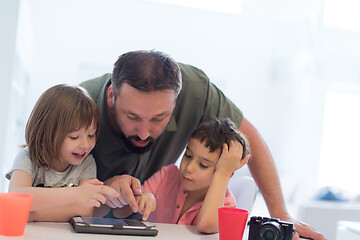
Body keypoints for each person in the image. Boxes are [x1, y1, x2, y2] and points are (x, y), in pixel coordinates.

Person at [80, 50, 326, 240]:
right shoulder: (79, 104)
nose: (144, 133)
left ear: (175, 103)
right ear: (112, 96)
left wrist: (282, 217)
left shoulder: (196, 91)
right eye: (132, 117)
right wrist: (106, 189)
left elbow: (252, 142)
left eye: (158, 118)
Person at [112, 118, 250, 234]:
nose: (189, 167)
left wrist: (222, 174)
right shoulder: (168, 175)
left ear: (226, 174)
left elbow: (206, 225)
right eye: (188, 155)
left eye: (203, 165)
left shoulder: (226, 203)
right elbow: (119, 212)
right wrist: (142, 198)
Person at [6, 84, 119, 222]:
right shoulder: (28, 157)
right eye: (74, 137)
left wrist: (33, 214)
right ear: (46, 133)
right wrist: (75, 195)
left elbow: (86, 211)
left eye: (91, 135)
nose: (86, 145)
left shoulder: (87, 163)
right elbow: (16, 197)